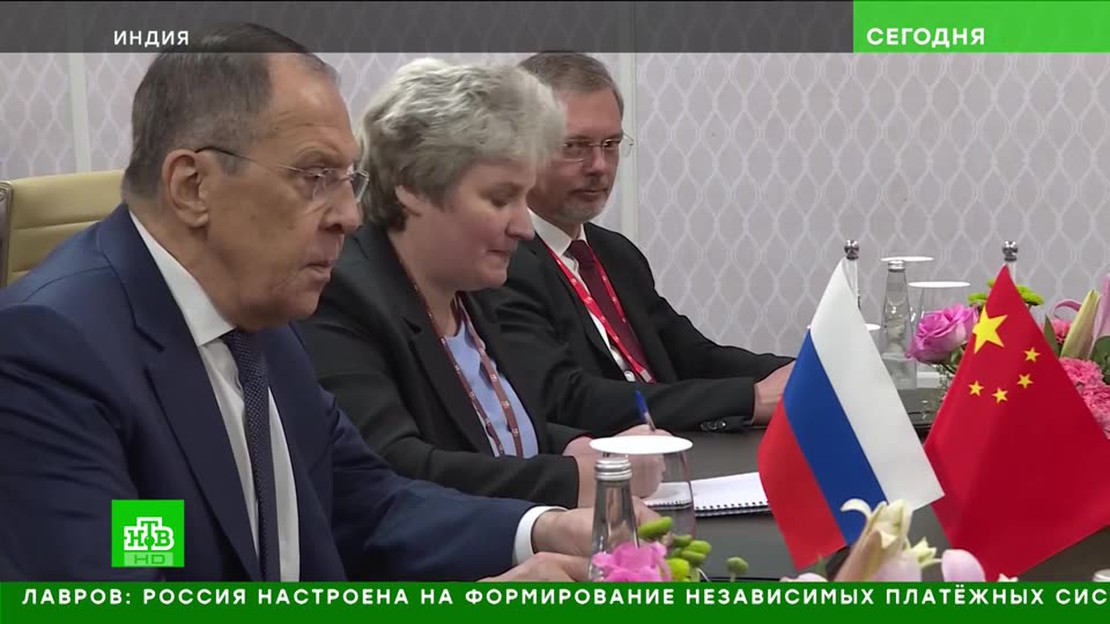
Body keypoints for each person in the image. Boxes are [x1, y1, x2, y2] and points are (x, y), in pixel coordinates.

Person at [0, 25, 617, 582]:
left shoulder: (261, 314)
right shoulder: (50, 354)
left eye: (349, 180)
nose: (350, 216)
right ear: (192, 186)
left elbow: (365, 504)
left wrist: (539, 530)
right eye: (315, 177)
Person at [297, 58, 666, 510]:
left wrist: (578, 445)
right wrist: (582, 478)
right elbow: (396, 469)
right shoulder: (343, 294)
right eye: (500, 198)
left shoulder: (472, 287)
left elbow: (496, 431)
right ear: (413, 186)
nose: (524, 228)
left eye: (523, 197)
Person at [483, 52, 796, 436]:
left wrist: (799, 375)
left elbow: (692, 355)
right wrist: (750, 398)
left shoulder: (614, 252)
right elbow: (565, 398)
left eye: (610, 144)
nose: (599, 165)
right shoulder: (501, 261)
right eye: (575, 146)